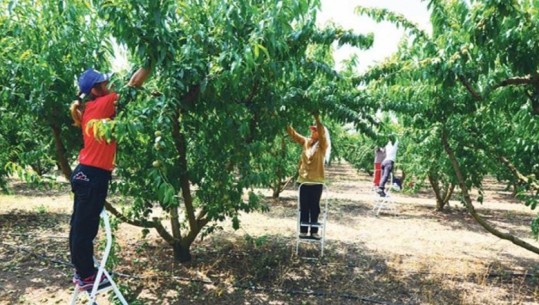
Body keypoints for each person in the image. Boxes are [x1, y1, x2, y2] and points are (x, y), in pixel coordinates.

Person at [69, 66, 150, 291]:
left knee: (80, 225)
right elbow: (132, 86)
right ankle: (85, 275)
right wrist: (149, 63)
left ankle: (82, 271)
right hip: (92, 175)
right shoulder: (101, 104)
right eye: (104, 84)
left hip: (87, 174)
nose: (108, 86)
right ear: (95, 90)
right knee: (84, 227)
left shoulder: (92, 108)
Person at [286, 114, 330, 240]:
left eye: (315, 130)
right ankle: (304, 230)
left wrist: (317, 118)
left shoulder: (322, 146)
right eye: (312, 129)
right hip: (304, 181)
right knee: (304, 206)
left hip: (316, 182)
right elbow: (294, 134)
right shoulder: (306, 142)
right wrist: (285, 122)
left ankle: (314, 231)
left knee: (314, 207)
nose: (312, 131)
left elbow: (322, 134)